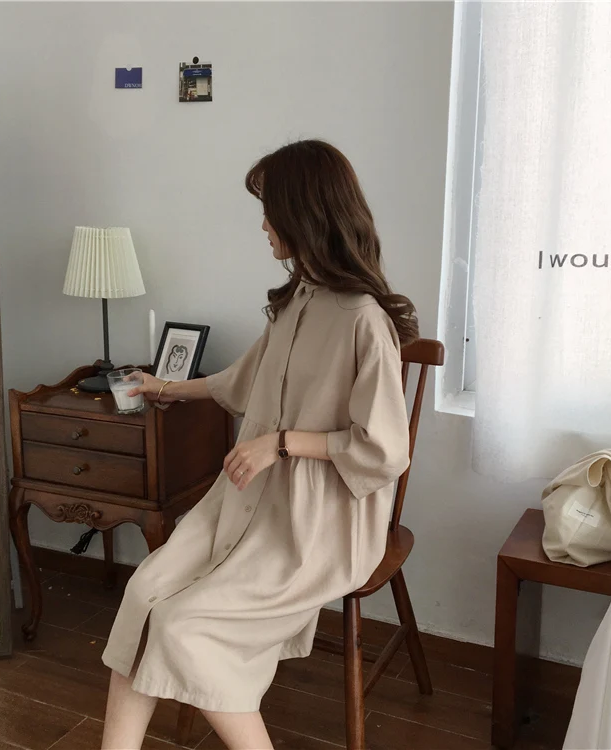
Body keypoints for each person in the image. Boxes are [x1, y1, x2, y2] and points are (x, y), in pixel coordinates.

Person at [100, 139, 419, 750]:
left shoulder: (364, 320)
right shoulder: (296, 301)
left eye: (270, 211)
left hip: (316, 521)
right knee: (143, 592)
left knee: (185, 625)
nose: (264, 225)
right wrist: (163, 386)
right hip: (244, 500)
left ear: (303, 215)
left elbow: (384, 449)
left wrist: (282, 443)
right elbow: (243, 380)